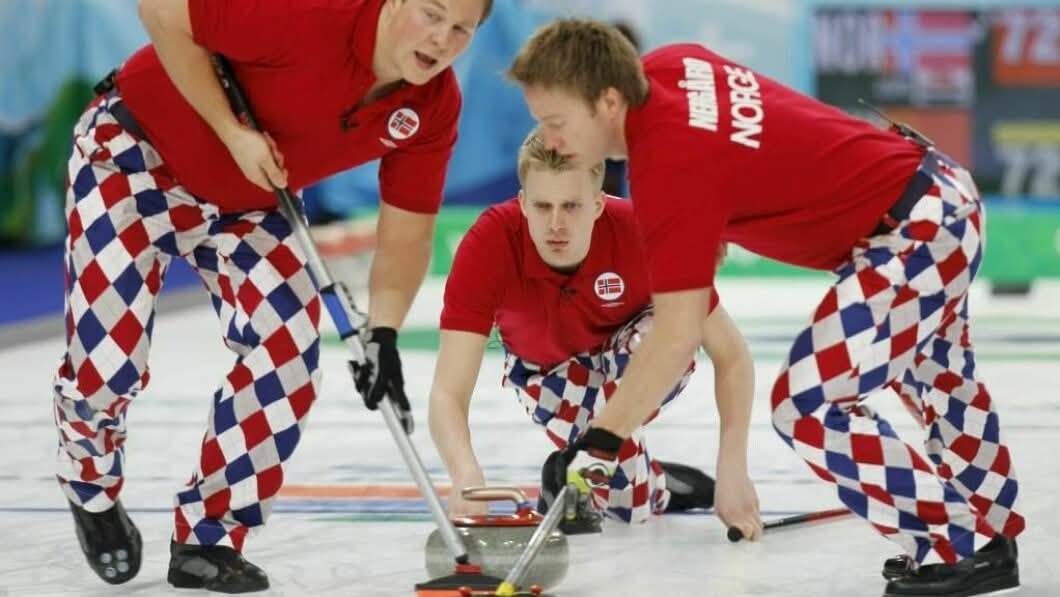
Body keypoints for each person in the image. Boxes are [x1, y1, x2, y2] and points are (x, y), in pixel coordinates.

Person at [506, 19, 1026, 597]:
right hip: (939, 192)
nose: (549, 139)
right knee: (939, 379)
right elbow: (744, 143)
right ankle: (988, 530)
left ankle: (958, 543)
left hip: (912, 232)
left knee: (809, 404)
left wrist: (601, 440)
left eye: (556, 122)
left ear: (608, 101)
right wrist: (710, 219)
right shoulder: (674, 64)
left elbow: (676, 336)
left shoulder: (668, 165)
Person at [52, 0, 491, 591]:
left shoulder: (432, 106)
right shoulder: (312, 13)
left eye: (461, 29)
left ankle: (208, 536)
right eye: (431, 14)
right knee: (109, 362)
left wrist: (383, 333)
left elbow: (407, 234)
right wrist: (232, 132)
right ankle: (91, 485)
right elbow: (160, 10)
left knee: (288, 356)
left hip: (252, 202)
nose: (442, 39)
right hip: (132, 157)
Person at [428, 128, 753, 525]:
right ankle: (656, 483)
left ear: (599, 204)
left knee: (661, 336)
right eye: (543, 206)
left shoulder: (643, 232)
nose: (556, 224)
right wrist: (466, 477)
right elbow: (447, 391)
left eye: (571, 206)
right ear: (523, 204)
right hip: (548, 374)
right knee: (626, 508)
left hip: (640, 351)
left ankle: (604, 460)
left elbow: (731, 355)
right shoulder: (487, 245)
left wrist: (733, 467)